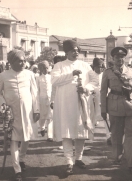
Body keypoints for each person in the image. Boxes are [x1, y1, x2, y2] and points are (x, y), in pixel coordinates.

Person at [0, 49, 40, 181]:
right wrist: (3, 104)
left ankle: (22, 158)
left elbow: (34, 93)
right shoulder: (3, 75)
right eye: (20, 61)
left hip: (27, 111)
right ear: (12, 61)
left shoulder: (30, 74)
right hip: (11, 113)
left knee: (26, 137)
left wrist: (36, 110)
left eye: (24, 60)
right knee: (13, 139)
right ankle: (17, 169)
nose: (23, 63)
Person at [51, 39, 94, 175]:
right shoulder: (59, 65)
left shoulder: (85, 65)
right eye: (72, 51)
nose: (75, 53)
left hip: (81, 103)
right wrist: (71, 74)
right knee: (67, 133)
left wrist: (86, 88)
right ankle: (69, 161)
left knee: (80, 132)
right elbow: (54, 80)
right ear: (66, 52)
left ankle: (79, 158)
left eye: (77, 50)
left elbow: (94, 81)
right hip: (64, 104)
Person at [101, 47, 132, 175]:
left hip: (131, 105)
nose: (119, 59)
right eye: (116, 57)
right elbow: (103, 92)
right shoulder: (107, 72)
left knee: (131, 136)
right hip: (114, 106)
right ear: (112, 58)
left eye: (122, 57)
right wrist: (103, 109)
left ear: (125, 58)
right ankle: (117, 156)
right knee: (116, 134)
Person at [36, 61, 53, 142]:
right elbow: (37, 90)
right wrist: (37, 100)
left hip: (50, 99)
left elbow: (53, 89)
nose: (46, 69)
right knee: (42, 116)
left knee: (50, 117)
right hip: (41, 99)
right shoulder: (38, 79)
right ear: (41, 69)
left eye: (47, 68)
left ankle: (50, 135)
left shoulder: (51, 77)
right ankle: (42, 128)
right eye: (44, 68)